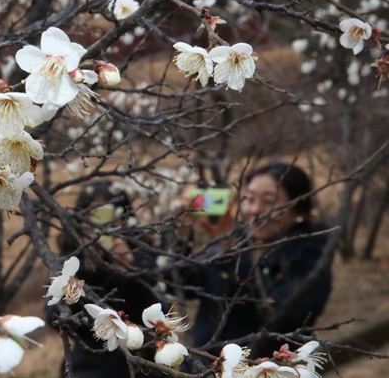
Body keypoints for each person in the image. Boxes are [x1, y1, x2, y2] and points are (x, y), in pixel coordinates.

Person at [182, 162, 332, 358]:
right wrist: (181, 234)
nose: (255, 210)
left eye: (269, 201)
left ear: (299, 209)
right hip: (204, 366)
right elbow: (182, 284)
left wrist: (230, 255)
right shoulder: (237, 240)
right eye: (249, 199)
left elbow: (283, 314)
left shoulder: (312, 254)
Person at [46, 181, 163, 378]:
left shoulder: (142, 256)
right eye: (92, 216)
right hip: (87, 367)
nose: (100, 228)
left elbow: (160, 309)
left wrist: (130, 271)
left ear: (125, 218)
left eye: (109, 217)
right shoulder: (70, 262)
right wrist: (86, 270)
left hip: (142, 366)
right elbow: (54, 316)